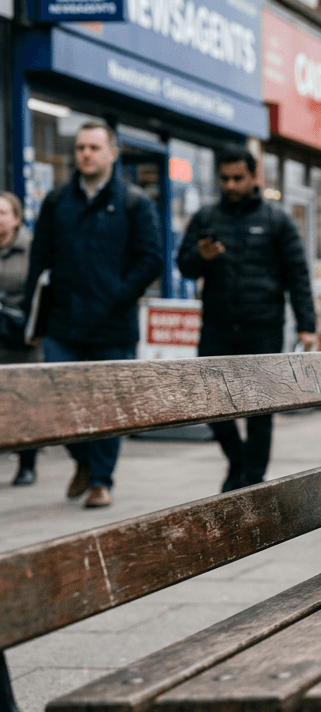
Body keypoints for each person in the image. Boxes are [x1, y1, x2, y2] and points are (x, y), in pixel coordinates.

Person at [24, 120, 163, 508]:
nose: (85, 153)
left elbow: (150, 259)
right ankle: (82, 461)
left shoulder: (134, 202)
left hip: (112, 325)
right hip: (62, 324)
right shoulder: (57, 201)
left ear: (112, 154)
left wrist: (118, 294)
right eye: (81, 147)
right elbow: (40, 256)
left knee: (107, 407)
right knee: (59, 407)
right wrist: (32, 311)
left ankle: (101, 480)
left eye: (94, 147)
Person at [176, 147, 316, 493]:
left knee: (259, 410)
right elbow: (184, 266)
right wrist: (199, 257)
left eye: (238, 178)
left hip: (263, 327)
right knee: (211, 404)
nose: (231, 185)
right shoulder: (206, 218)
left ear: (254, 177)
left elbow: (296, 275)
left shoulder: (276, 220)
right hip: (217, 327)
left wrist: (307, 324)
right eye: (224, 179)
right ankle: (237, 462)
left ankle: (252, 480)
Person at [0, 191, 39, 485]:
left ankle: (27, 464)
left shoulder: (32, 249)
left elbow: (43, 291)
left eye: (2, 213)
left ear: (16, 218)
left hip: (21, 336)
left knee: (24, 402)